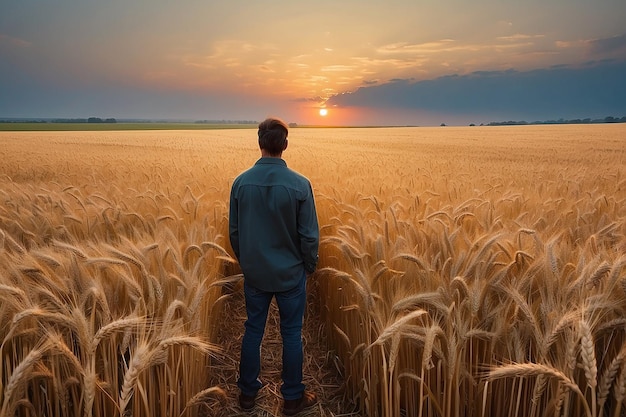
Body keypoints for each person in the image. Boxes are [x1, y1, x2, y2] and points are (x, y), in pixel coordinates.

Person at [228, 117, 320, 415]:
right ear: (285, 145)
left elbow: (235, 232)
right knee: (291, 333)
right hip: (291, 274)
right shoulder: (300, 184)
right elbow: (309, 235)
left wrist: (249, 262)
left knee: (253, 329)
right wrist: (308, 266)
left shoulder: (240, 183)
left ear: (259, 143)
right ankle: (292, 398)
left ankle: (246, 395)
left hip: (256, 273)